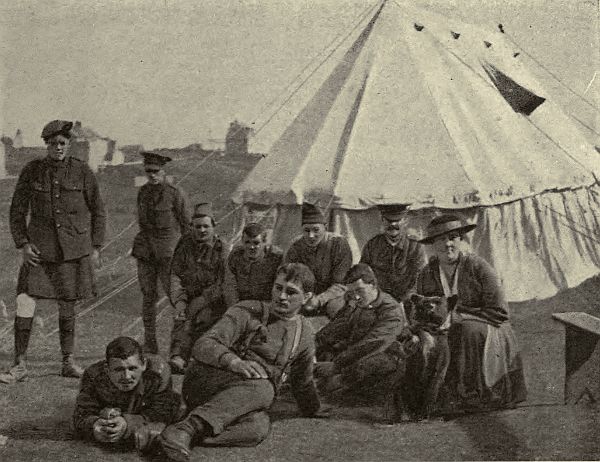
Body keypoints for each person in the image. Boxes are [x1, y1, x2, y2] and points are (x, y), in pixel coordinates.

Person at [158, 263, 321, 461]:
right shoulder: (247, 311)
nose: (282, 296)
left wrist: (314, 408)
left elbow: (302, 382)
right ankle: (186, 428)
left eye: (291, 292)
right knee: (264, 389)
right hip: (206, 381)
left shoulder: (304, 333)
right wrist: (234, 362)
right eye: (279, 288)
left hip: (242, 399)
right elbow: (203, 345)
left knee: (258, 428)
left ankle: (170, 438)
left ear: (307, 297)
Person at [0, 120, 106, 384]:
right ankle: (20, 364)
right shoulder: (32, 171)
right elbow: (17, 211)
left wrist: (95, 247)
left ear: (69, 145)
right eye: (53, 143)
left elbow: (98, 210)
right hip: (39, 251)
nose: (58, 147)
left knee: (67, 306)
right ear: (46, 144)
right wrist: (23, 244)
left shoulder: (82, 171)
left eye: (62, 143)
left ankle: (67, 361)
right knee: (25, 300)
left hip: (73, 251)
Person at [416, 214, 527, 413]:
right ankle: (438, 395)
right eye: (441, 239)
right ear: (432, 244)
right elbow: (423, 310)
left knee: (466, 330)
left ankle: (473, 394)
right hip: (445, 328)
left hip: (490, 327)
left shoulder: (478, 267)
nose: (448, 244)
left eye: (453, 237)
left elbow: (500, 312)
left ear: (461, 240)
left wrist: (458, 316)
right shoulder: (427, 273)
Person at [73, 336, 181, 453]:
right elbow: (81, 414)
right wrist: (94, 426)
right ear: (107, 369)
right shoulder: (93, 375)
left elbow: (162, 412)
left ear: (143, 364)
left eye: (132, 368)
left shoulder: (158, 373)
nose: (127, 376)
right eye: (119, 369)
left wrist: (127, 424)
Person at [314, 263, 406, 395]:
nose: (355, 297)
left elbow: (373, 343)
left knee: (363, 369)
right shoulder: (357, 303)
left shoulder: (391, 310)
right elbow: (339, 326)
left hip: (379, 359)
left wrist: (337, 365)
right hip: (353, 355)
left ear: (373, 285)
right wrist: (314, 343)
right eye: (351, 292)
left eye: (360, 291)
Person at [131, 151, 190, 354]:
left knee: (176, 299)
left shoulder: (175, 193)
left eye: (156, 171)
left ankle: (179, 346)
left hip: (169, 253)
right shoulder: (143, 192)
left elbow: (186, 225)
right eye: (148, 171)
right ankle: (150, 343)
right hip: (146, 252)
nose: (152, 175)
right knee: (148, 298)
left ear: (163, 171)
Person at [168, 202, 228, 374]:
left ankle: (200, 359)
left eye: (206, 226)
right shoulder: (185, 244)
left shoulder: (222, 248)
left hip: (214, 301)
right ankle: (178, 356)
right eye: (197, 227)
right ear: (191, 227)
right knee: (181, 316)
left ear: (214, 227)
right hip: (189, 296)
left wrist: (203, 300)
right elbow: (175, 274)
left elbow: (223, 282)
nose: (202, 230)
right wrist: (179, 300)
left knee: (202, 319)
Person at [283, 202, 352, 318]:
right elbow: (289, 277)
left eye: (316, 230)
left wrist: (320, 299)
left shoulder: (339, 244)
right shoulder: (296, 246)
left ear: (325, 228)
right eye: (306, 230)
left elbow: (341, 283)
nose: (311, 235)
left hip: (334, 294)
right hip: (306, 296)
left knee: (335, 308)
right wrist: (305, 298)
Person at [360, 204, 427, 303]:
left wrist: (405, 301)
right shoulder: (372, 245)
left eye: (398, 221)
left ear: (405, 221)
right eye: (389, 221)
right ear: (382, 220)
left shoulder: (415, 246)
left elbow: (420, 278)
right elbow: (363, 274)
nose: (393, 225)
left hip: (407, 301)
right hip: (378, 301)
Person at [223, 222, 283, 307]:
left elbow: (280, 289)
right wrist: (236, 309)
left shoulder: (275, 258)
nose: (251, 247)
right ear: (242, 242)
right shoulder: (235, 256)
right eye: (247, 242)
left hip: (266, 307)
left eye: (256, 243)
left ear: (264, 242)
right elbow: (230, 287)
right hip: (240, 306)